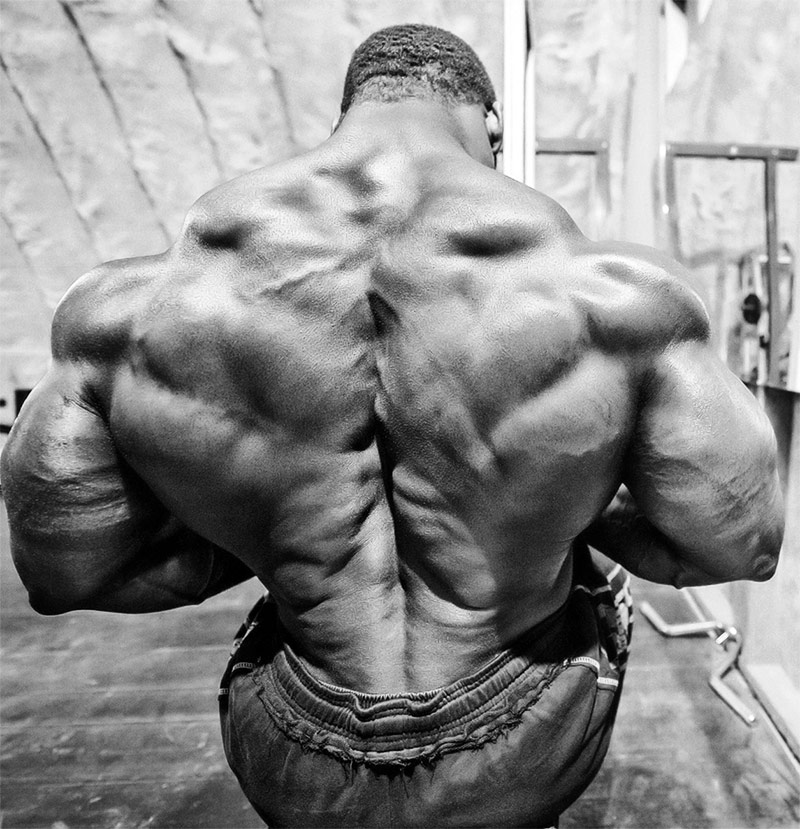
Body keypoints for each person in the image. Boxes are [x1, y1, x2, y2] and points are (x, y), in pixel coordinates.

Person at [1, 23, 783, 828]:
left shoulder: (127, 310)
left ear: (347, 116)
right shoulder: (621, 298)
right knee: (580, 573)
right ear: (492, 126)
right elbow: (741, 543)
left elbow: (66, 571)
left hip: (293, 746)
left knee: (299, 593)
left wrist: (279, 532)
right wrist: (561, 504)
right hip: (521, 745)